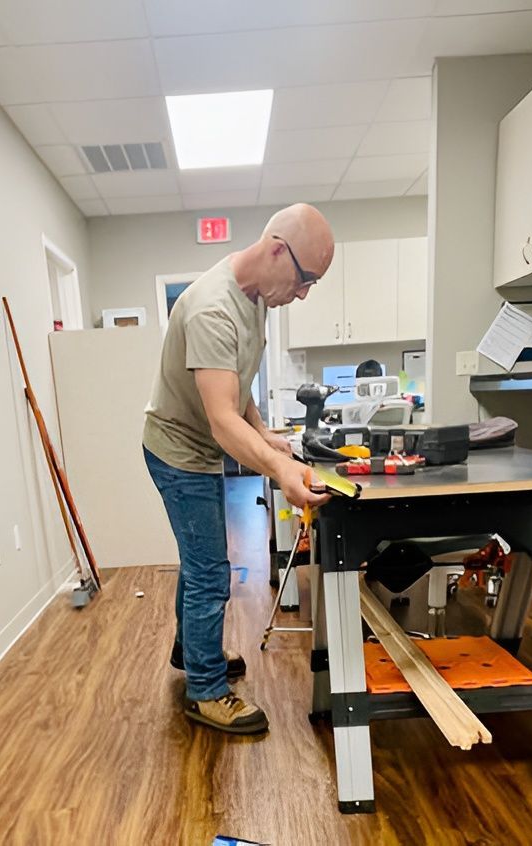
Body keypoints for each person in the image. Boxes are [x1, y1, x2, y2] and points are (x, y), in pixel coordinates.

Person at [143, 204, 334, 735]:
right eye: (305, 280)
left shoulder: (254, 296)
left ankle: (193, 652)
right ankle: (205, 690)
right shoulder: (212, 308)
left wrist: (265, 431)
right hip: (178, 452)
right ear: (277, 250)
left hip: (196, 445)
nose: (303, 294)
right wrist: (278, 468)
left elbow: (235, 384)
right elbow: (222, 420)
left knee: (198, 561)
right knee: (210, 571)